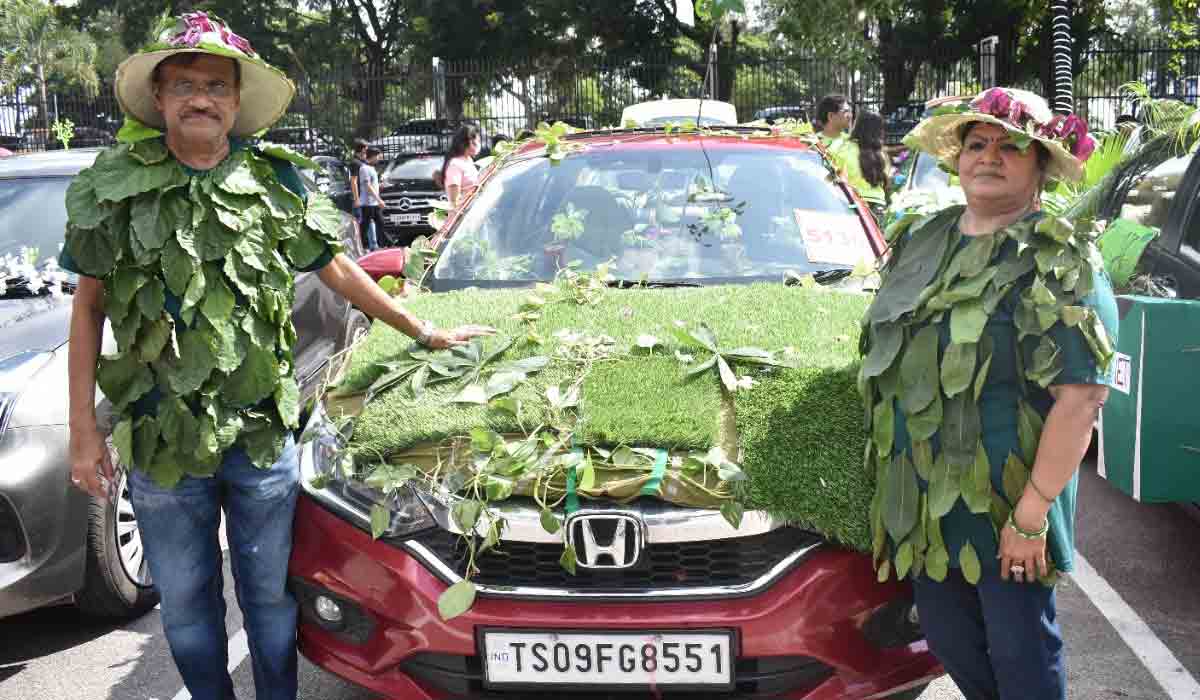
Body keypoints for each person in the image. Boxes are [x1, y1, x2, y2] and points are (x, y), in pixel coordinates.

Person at [61, 13, 492, 700]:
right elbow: (86, 308)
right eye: (183, 86)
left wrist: (423, 330)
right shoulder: (114, 188)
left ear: (234, 101)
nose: (200, 98)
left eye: (214, 86)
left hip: (261, 433)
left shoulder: (276, 183)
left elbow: (341, 271)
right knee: (187, 604)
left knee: (268, 603)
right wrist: (84, 430)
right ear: (161, 99)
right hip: (160, 436)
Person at [860, 87, 1113, 700]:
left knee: (1022, 650)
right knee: (950, 643)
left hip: (1011, 498)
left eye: (1011, 146)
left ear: (1041, 166)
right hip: (929, 502)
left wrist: (1030, 516)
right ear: (957, 158)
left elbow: (1080, 398)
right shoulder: (925, 239)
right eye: (977, 144)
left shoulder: (1059, 256)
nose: (990, 156)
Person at [842, 110, 892, 222]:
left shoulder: (845, 149)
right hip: (878, 205)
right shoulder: (881, 154)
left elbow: (839, 177)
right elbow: (887, 184)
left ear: (857, 126)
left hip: (854, 203)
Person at [439, 123, 482, 207]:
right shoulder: (455, 164)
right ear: (470, 142)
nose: (479, 144)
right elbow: (454, 200)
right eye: (478, 141)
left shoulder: (468, 160)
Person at [358, 145, 385, 251]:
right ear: (373, 156)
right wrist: (379, 200)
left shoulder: (371, 168)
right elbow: (367, 186)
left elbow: (372, 184)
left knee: (380, 223)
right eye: (378, 156)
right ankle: (363, 245)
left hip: (373, 203)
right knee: (365, 226)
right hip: (368, 203)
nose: (379, 159)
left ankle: (385, 244)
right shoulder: (364, 169)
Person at [814, 93, 853, 163]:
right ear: (831, 116)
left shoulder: (852, 141)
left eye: (850, 111)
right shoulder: (813, 144)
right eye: (846, 111)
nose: (850, 115)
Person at [347, 137, 368, 224]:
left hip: (363, 198)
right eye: (366, 148)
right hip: (359, 198)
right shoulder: (355, 163)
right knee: (359, 223)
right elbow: (353, 181)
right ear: (362, 149)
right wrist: (356, 199)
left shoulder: (361, 162)